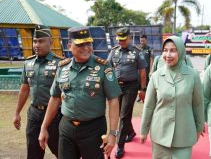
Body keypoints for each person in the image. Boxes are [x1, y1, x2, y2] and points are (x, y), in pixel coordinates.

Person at [38, 26, 121, 159]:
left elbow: (113, 100)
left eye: (88, 43)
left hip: (93, 129)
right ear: (69, 45)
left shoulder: (103, 67)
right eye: (80, 44)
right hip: (66, 128)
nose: (86, 48)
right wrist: (44, 127)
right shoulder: (62, 67)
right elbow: (55, 98)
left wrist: (112, 134)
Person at [140, 36, 204, 159]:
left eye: (173, 50)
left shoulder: (193, 75)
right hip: (160, 134)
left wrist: (199, 127)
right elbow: (149, 105)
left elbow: (198, 104)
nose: (168, 55)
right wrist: (144, 130)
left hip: (184, 134)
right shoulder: (156, 76)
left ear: (180, 52)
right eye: (165, 50)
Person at [13, 25, 63, 159]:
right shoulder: (28, 63)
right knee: (33, 153)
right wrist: (17, 113)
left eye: (41, 41)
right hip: (34, 114)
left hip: (55, 116)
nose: (37, 45)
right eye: (35, 41)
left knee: (61, 152)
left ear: (50, 42)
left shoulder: (60, 64)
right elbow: (24, 89)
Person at [107, 27, 148, 158]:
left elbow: (142, 72)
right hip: (116, 87)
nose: (121, 42)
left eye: (124, 40)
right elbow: (108, 68)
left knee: (124, 115)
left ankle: (120, 145)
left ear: (130, 38)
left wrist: (142, 89)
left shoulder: (137, 52)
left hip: (131, 87)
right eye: (119, 40)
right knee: (120, 114)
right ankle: (130, 132)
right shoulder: (113, 52)